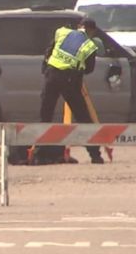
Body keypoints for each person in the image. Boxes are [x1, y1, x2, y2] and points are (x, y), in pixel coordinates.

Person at [37, 17, 104, 164]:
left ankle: (39, 155)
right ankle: (95, 155)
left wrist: (46, 69)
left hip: (52, 76)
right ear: (91, 31)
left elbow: (49, 51)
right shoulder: (89, 46)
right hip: (71, 81)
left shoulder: (62, 32)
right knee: (83, 117)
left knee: (45, 115)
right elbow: (89, 69)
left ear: (79, 26)